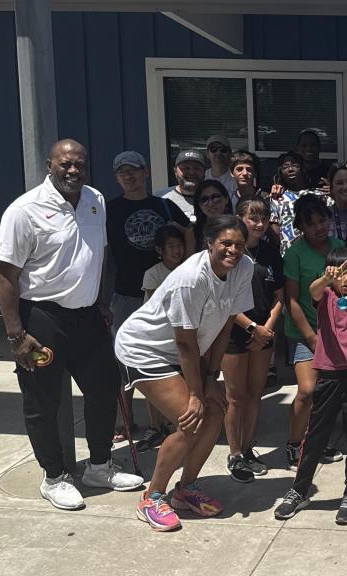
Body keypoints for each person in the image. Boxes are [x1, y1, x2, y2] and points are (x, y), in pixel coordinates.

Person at [0, 139, 144, 511]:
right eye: (66, 164)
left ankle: (98, 465)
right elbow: (4, 275)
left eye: (80, 164)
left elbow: (98, 252)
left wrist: (97, 299)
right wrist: (15, 334)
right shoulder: (25, 210)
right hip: (42, 319)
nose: (74, 170)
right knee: (43, 400)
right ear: (50, 165)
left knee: (103, 388)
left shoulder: (95, 199)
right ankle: (55, 476)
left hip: (88, 315)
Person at [115, 214, 254, 530]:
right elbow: (185, 343)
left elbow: (226, 323)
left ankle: (185, 489)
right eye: (226, 244)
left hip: (187, 351)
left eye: (239, 245)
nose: (233, 250)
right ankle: (152, 496)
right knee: (190, 419)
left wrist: (211, 379)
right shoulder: (192, 278)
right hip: (145, 349)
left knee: (216, 413)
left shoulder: (243, 268)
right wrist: (195, 393)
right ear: (209, 243)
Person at [274, 249, 347, 524]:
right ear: (331, 274)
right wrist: (325, 278)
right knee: (316, 434)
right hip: (329, 372)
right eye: (341, 273)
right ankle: (299, 490)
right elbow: (314, 290)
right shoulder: (327, 296)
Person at [107, 150, 194, 440]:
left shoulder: (164, 205)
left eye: (133, 170)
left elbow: (189, 230)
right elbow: (102, 252)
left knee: (166, 354)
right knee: (124, 360)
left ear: (145, 172)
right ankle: (127, 420)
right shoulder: (110, 209)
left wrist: (189, 263)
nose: (128, 176)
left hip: (166, 293)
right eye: (122, 172)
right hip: (127, 293)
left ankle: (169, 418)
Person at [222, 198, 284, 483]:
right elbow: (224, 299)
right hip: (235, 334)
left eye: (263, 218)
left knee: (255, 394)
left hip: (264, 333)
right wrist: (251, 329)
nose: (259, 224)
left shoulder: (272, 251)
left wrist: (267, 328)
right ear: (239, 218)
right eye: (252, 218)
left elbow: (279, 296)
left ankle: (248, 449)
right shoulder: (232, 252)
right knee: (236, 397)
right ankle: (234, 454)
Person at [283, 196, 346, 469]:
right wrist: (310, 336)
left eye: (323, 221)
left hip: (335, 333)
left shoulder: (339, 248)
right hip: (304, 332)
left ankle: (318, 441)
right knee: (307, 390)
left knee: (328, 392)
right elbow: (292, 300)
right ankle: (294, 443)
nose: (319, 228)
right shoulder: (295, 254)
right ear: (301, 227)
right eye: (311, 224)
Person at [136, 225, 188, 453]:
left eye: (179, 246)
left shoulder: (188, 270)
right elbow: (150, 306)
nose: (176, 251)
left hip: (184, 334)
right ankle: (155, 426)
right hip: (159, 335)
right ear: (160, 250)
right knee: (156, 384)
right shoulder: (153, 273)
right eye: (171, 247)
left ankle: (176, 423)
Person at [268, 151, 315, 255]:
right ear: (280, 172)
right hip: (288, 255)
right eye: (285, 167)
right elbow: (274, 229)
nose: (290, 169)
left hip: (314, 253)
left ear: (303, 168)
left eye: (295, 165)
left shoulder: (317, 195)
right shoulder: (276, 197)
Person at [158, 149, 206, 223]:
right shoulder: (161, 199)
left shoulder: (214, 197)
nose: (191, 172)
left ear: (204, 171)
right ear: (175, 171)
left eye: (196, 168)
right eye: (185, 168)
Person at [193, 180, 234, 248]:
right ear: (199, 205)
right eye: (204, 200)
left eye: (215, 197)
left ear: (226, 199)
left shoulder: (237, 226)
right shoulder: (193, 232)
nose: (211, 203)